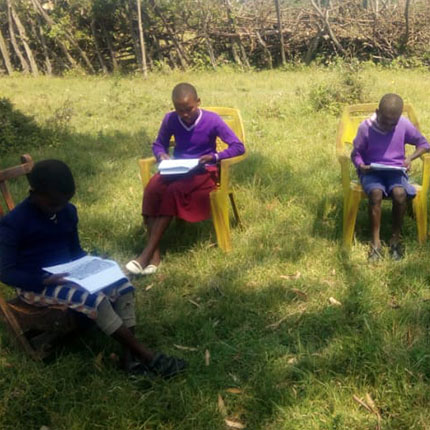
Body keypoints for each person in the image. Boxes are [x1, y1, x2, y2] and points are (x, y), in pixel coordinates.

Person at [0, 159, 186, 378]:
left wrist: (94, 264)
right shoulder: (14, 223)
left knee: (123, 285)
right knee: (94, 300)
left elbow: (75, 251)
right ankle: (148, 357)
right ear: (34, 192)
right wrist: (42, 281)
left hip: (70, 273)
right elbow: (6, 271)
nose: (59, 209)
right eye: (53, 204)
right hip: (35, 283)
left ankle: (128, 359)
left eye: (64, 203)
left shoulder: (67, 211)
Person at [126, 82, 245, 275]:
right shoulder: (170, 119)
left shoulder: (212, 120)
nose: (185, 114)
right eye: (180, 110)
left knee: (174, 192)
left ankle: (145, 254)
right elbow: (158, 144)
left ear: (198, 102)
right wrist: (161, 155)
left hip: (203, 171)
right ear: (174, 107)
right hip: (177, 169)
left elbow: (238, 146)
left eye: (189, 109)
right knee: (152, 189)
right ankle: (154, 256)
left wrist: (215, 157)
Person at [351, 93, 430, 261]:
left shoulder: (403, 124)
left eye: (393, 123)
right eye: (385, 121)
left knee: (400, 194)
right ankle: (376, 243)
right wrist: (361, 166)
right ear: (377, 112)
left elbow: (424, 144)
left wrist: (409, 158)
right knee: (376, 194)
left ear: (399, 117)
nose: (388, 126)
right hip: (372, 171)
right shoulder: (365, 127)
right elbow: (355, 154)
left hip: (394, 171)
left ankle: (395, 239)